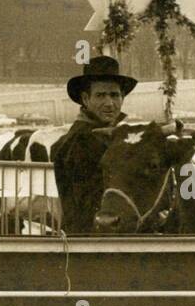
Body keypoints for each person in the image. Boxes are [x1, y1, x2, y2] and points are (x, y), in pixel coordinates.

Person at [51, 55, 136, 234]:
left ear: (122, 98)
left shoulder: (105, 135)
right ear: (85, 98)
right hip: (91, 239)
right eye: (100, 95)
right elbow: (90, 202)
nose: (109, 103)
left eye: (115, 95)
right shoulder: (81, 141)